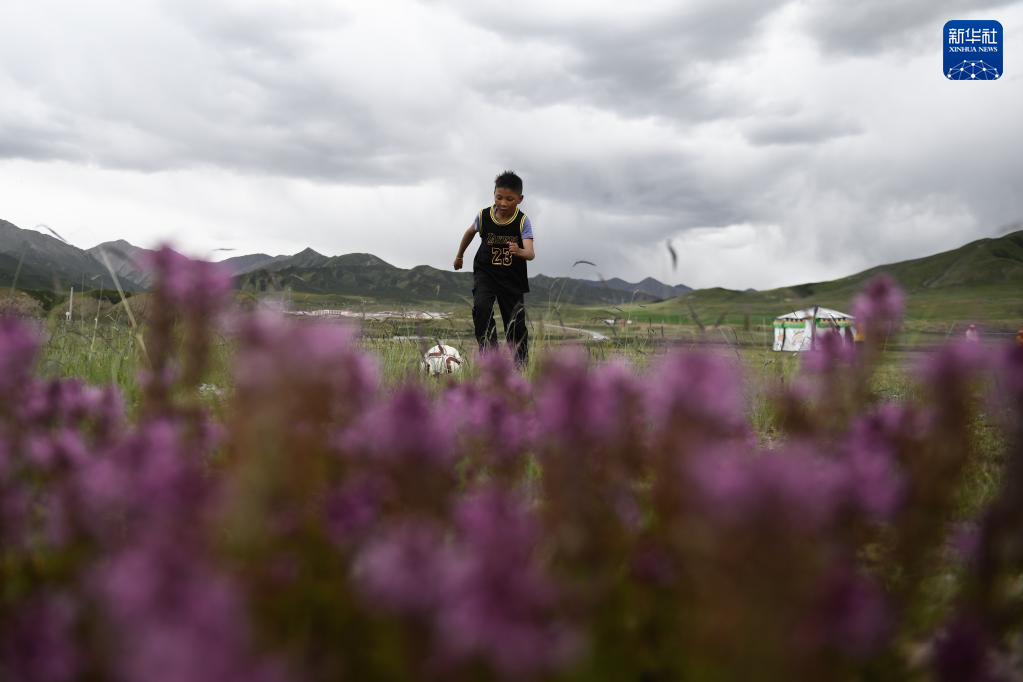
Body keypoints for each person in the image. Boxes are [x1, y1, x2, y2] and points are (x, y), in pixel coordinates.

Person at [453, 170, 535, 368]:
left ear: (520, 199)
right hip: (486, 274)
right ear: (494, 195)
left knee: (515, 324)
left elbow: (530, 253)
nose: (503, 203)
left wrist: (519, 251)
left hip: (512, 279)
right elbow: (469, 232)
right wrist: (459, 255)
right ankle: (491, 360)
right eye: (499, 197)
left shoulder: (522, 221)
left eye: (509, 199)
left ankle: (521, 367)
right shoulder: (484, 216)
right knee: (481, 309)